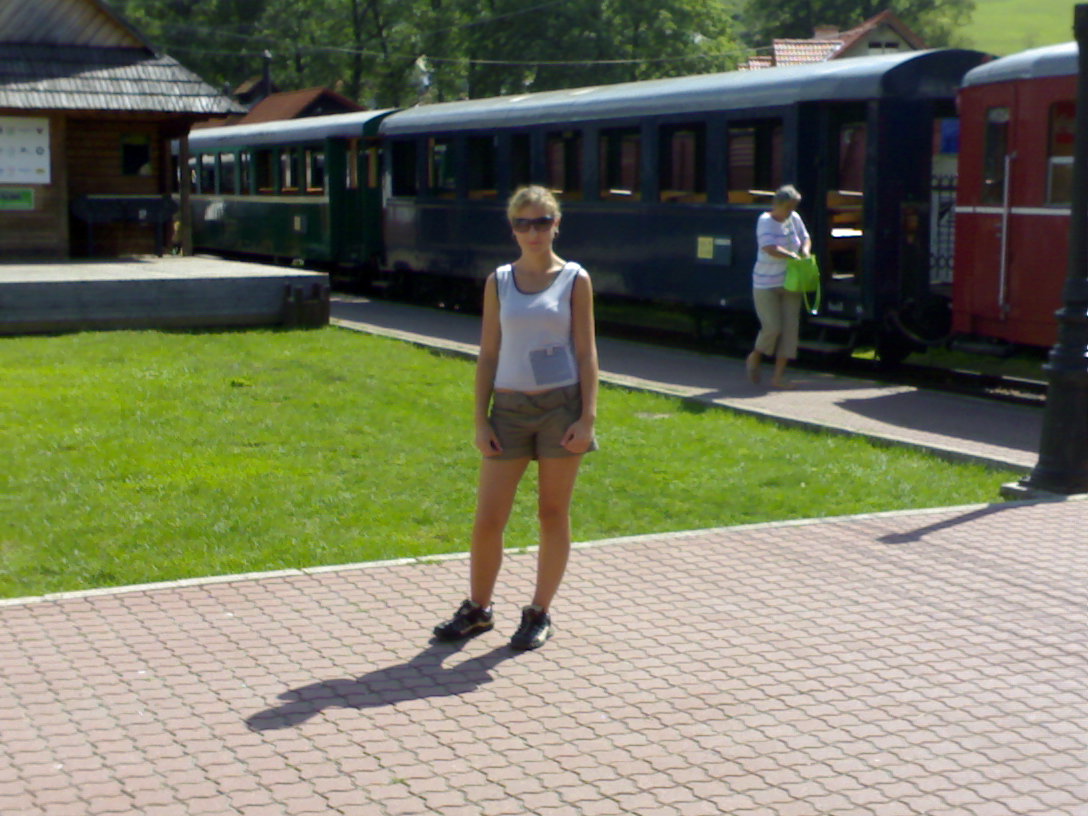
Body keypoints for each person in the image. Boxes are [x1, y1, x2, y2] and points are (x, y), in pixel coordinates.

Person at [434, 185, 599, 651]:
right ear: (512, 228)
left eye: (542, 221)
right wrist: (480, 420)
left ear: (556, 224)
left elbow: (586, 353)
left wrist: (587, 418)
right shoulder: (500, 280)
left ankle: (539, 612)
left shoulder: (575, 279)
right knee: (489, 517)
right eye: (523, 223)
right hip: (508, 410)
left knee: (552, 513)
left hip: (560, 409)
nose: (533, 231)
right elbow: (488, 353)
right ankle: (478, 609)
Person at [745, 184, 811, 388]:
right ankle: (755, 356)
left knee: (790, 331)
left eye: (793, 207)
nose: (791, 211)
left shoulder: (794, 218)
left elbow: (805, 238)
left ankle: (778, 378)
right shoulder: (765, 221)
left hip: (791, 282)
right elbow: (769, 247)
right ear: (777, 204)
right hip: (765, 283)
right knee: (772, 327)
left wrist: (805, 251)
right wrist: (791, 255)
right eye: (788, 207)